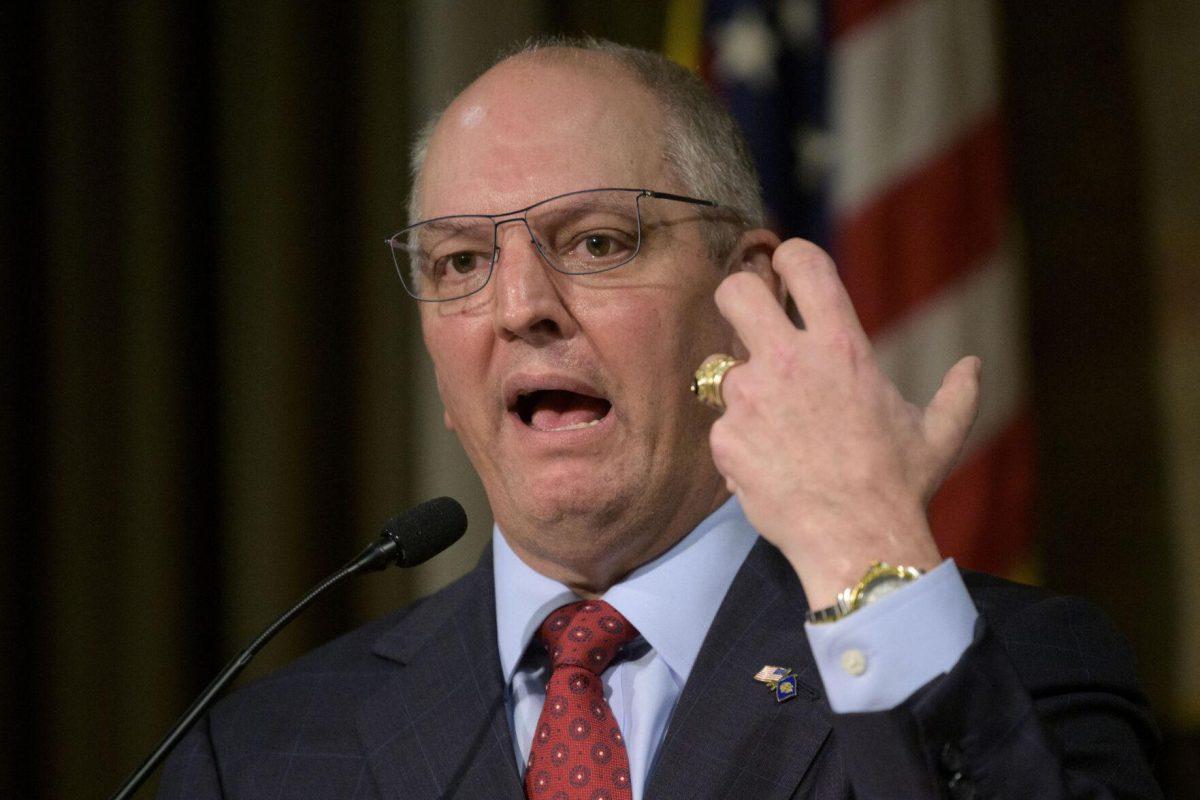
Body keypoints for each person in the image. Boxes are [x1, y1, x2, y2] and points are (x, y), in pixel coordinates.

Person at [158, 38, 1161, 799]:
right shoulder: (253, 755)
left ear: (746, 294)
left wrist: (865, 554)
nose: (518, 308)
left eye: (595, 241)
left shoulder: (1015, 669)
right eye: (460, 261)